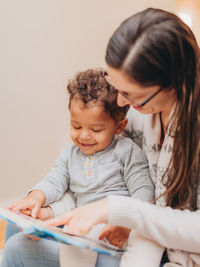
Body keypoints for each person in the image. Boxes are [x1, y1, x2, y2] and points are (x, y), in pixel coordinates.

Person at [44, 7, 200, 267]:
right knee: (21, 235)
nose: (120, 101)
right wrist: (47, 204)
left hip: (179, 250)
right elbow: (85, 163)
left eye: (132, 96)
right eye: (117, 87)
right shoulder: (143, 114)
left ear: (174, 82)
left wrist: (123, 212)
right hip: (146, 237)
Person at [1, 68, 154, 267]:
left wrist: (126, 225)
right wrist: (36, 197)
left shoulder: (126, 151)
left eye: (96, 129)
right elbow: (55, 179)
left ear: (119, 127)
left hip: (110, 234)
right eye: (76, 126)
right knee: (16, 225)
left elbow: (144, 190)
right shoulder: (71, 152)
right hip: (78, 225)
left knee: (17, 246)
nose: (84, 136)